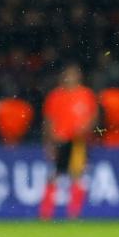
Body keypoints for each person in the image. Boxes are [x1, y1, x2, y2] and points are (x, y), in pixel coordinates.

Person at [39, 62, 98, 220]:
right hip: (59, 140)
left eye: (73, 74)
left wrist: (85, 129)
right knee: (54, 175)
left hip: (78, 141)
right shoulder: (55, 96)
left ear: (79, 77)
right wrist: (49, 143)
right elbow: (48, 120)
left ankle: (74, 213)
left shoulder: (86, 94)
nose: (70, 78)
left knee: (77, 175)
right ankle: (45, 213)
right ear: (63, 77)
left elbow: (93, 117)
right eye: (68, 74)